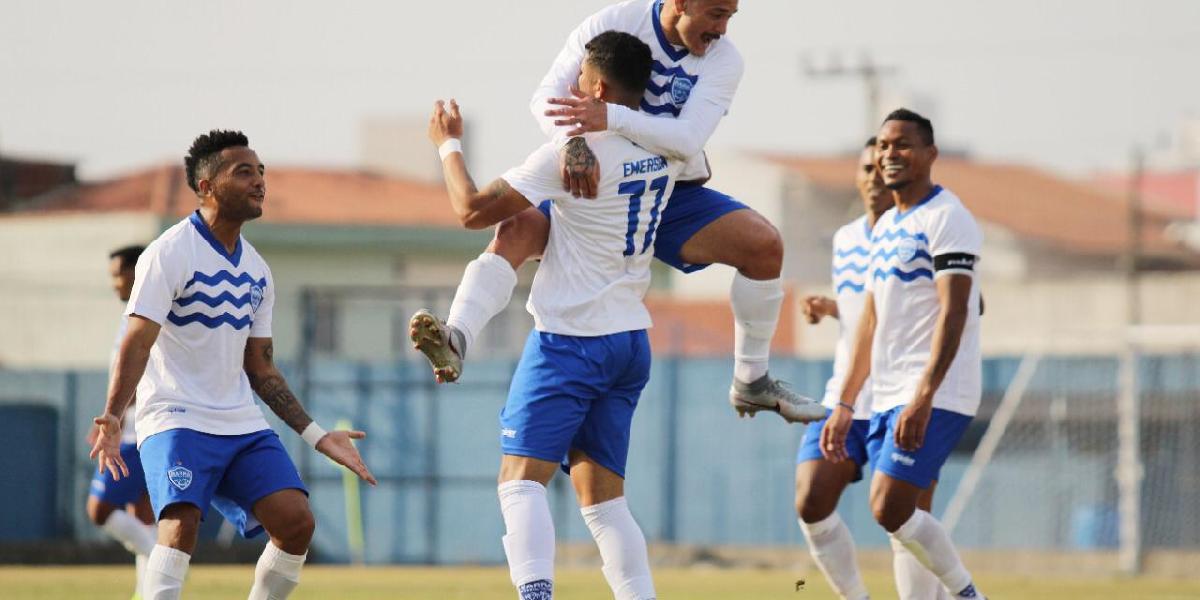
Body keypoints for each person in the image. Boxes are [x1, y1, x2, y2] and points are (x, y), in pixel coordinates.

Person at [411, 0, 824, 425]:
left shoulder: (725, 60)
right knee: (515, 227)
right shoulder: (613, 22)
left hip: (667, 189)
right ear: (681, 2)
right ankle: (457, 335)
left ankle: (751, 380)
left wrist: (612, 117)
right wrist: (572, 144)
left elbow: (686, 139)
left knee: (764, 245)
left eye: (730, 16)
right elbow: (547, 96)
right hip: (595, 179)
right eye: (716, 14)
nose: (722, 29)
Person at [422, 31, 672, 600]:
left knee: (519, 485)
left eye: (579, 82)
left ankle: (535, 596)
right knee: (604, 502)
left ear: (598, 87)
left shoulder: (572, 158)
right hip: (630, 338)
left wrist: (448, 145)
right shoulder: (667, 149)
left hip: (571, 341)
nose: (570, 90)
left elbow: (471, 210)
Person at [90, 130, 376, 600]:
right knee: (180, 529)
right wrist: (115, 416)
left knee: (296, 522)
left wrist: (318, 435)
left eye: (261, 171)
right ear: (206, 186)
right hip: (176, 417)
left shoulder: (258, 271)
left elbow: (261, 369)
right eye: (244, 171)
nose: (259, 181)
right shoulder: (170, 252)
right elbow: (136, 342)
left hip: (240, 423)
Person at [822, 109, 986, 599]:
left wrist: (924, 396)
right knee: (902, 519)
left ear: (930, 155)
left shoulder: (947, 218)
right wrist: (847, 402)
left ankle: (966, 593)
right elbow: (870, 323)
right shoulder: (888, 224)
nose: (891, 155)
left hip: (936, 391)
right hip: (888, 391)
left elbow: (955, 312)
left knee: (888, 507)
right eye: (885, 146)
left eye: (904, 145)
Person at [795, 140, 947, 599]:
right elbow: (872, 312)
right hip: (846, 398)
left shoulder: (926, 231)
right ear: (859, 177)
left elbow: (951, 303)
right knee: (812, 500)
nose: (877, 176)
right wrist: (834, 306)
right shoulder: (846, 239)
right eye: (868, 167)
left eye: (884, 168)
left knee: (903, 520)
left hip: (902, 397)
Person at [86, 244, 157, 600]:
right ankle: (150, 592)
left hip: (137, 432)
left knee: (98, 510)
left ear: (137, 273)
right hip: (127, 428)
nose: (115, 284)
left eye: (120, 275)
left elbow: (143, 372)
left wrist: (115, 420)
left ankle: (162, 562)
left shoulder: (149, 317)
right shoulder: (129, 316)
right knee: (142, 515)